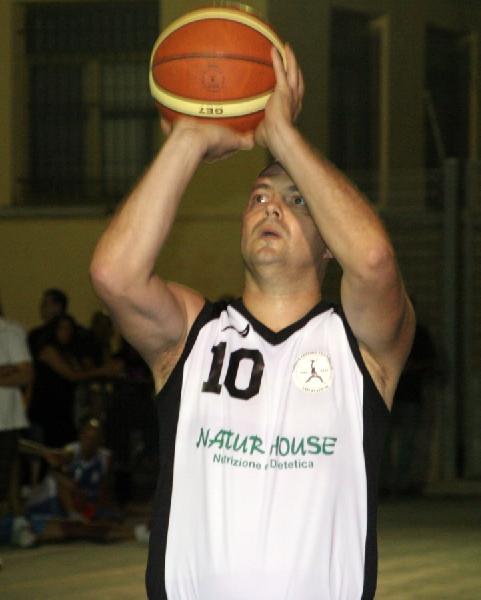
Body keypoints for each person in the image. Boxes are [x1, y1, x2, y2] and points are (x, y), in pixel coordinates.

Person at [90, 44, 415, 600]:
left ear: (330, 244)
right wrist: (188, 138)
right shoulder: (193, 335)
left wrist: (281, 135)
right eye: (259, 196)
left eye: (297, 201)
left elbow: (375, 260)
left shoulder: (360, 346)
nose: (271, 207)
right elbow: (113, 275)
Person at [0, 303, 36, 548]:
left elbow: (25, 374)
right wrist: (6, 371)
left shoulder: (10, 331)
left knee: (6, 481)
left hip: (6, 420)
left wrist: (14, 370)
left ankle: (16, 523)